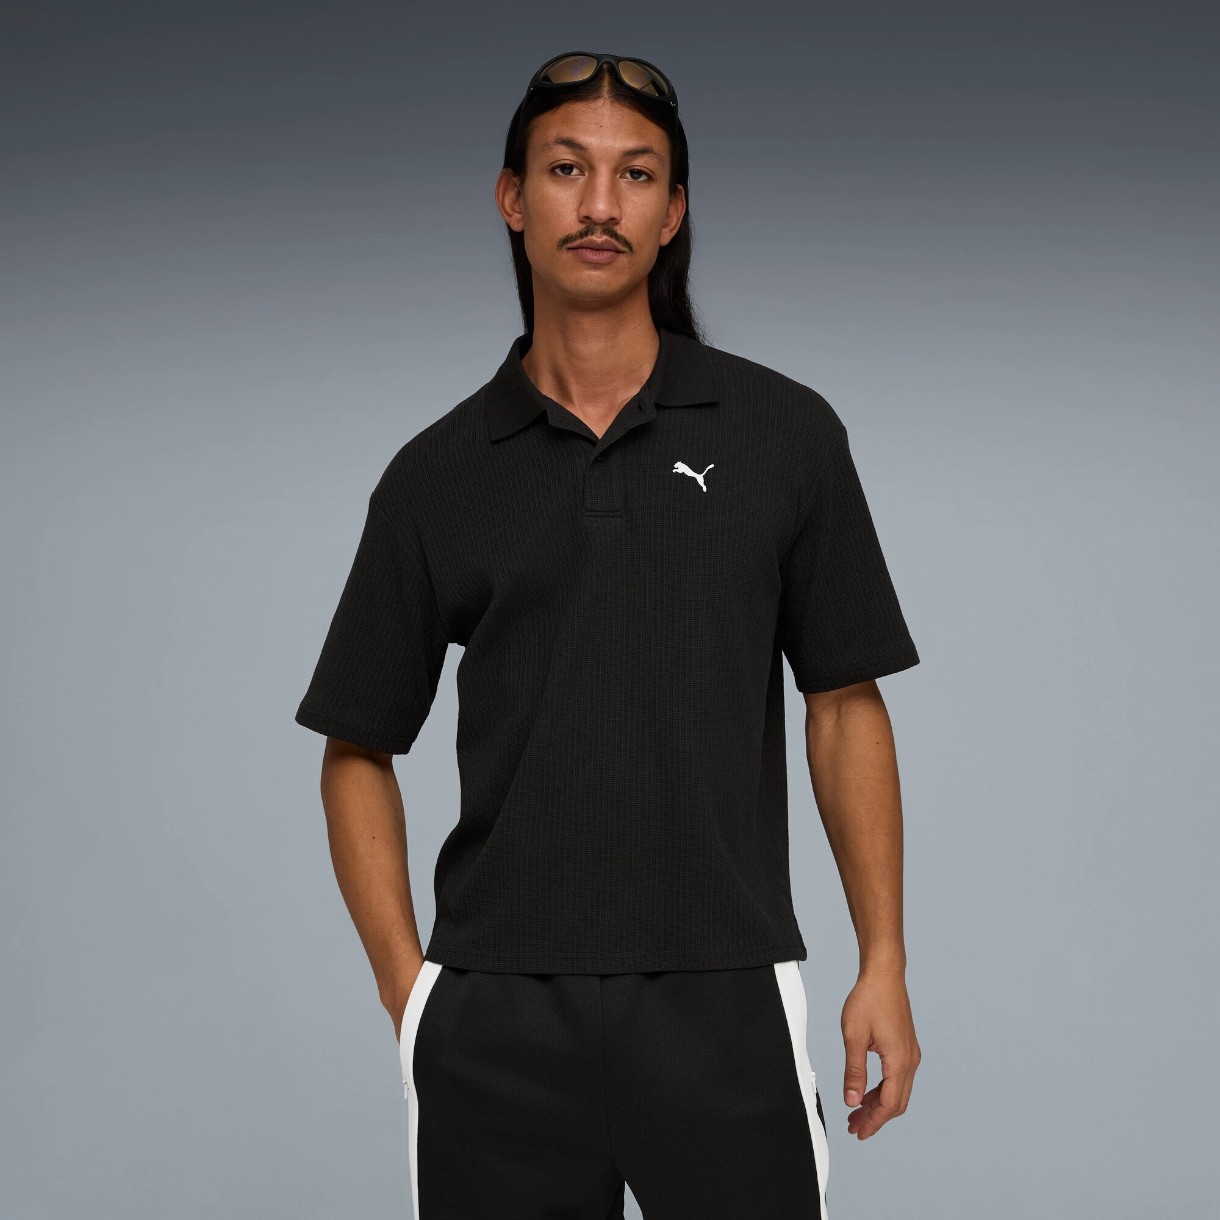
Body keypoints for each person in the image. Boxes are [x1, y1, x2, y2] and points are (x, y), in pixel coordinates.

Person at [294, 49, 922, 1219]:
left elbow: (843, 704)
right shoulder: (435, 475)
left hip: (723, 995)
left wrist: (880, 957)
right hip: (495, 1013)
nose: (598, 203)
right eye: (565, 169)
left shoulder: (782, 434)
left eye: (635, 174)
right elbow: (355, 744)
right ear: (510, 197)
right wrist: (410, 992)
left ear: (672, 211)